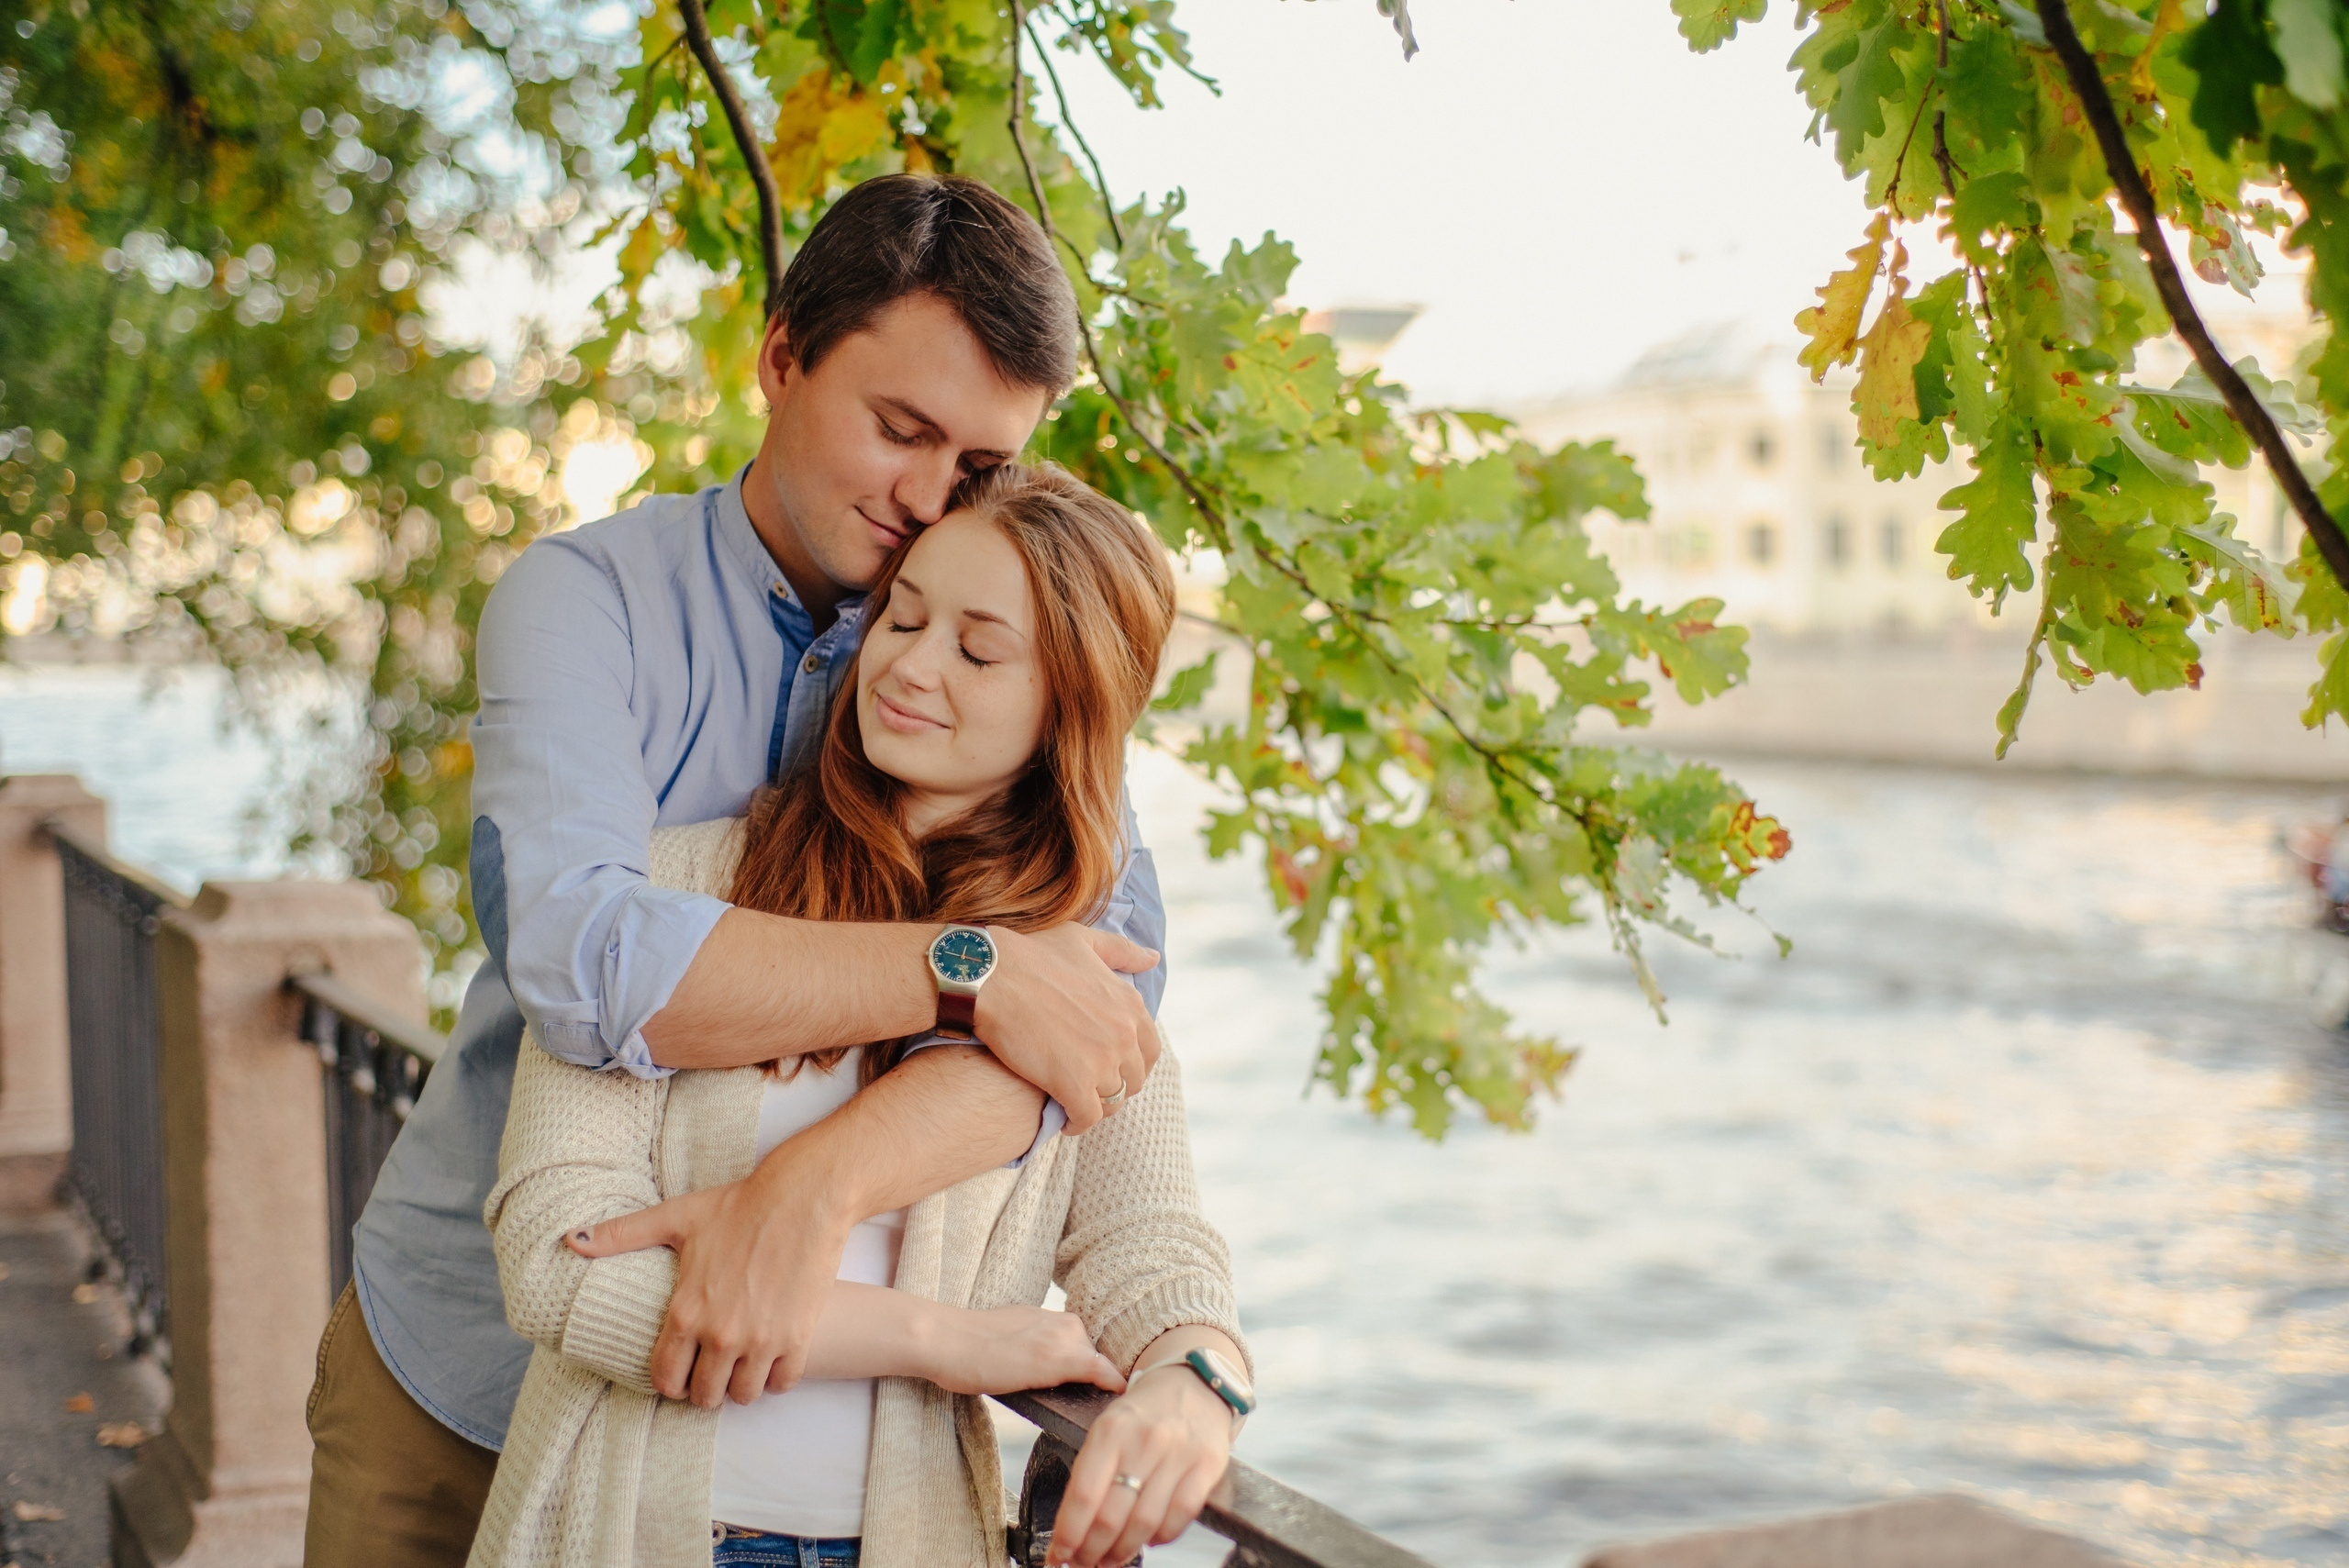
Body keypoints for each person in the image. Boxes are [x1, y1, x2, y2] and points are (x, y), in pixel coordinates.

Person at [304, 175, 1173, 1567]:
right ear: (780, 357)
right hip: (473, 1351)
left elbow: (1100, 1029)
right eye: (899, 429)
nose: (927, 497)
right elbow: (594, 967)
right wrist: (973, 969)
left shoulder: (1009, 657)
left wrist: (811, 1187)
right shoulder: (583, 602)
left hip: (796, 1441)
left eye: (978, 465)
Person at [470, 465, 1249, 1568]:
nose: (910, 665)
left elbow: (1150, 1244)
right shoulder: (681, 888)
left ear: (1065, 708)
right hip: (624, 1524)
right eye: (902, 613)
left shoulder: (1084, 974)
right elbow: (558, 1260)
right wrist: (944, 1341)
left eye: (978, 651)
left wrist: (1197, 1379)